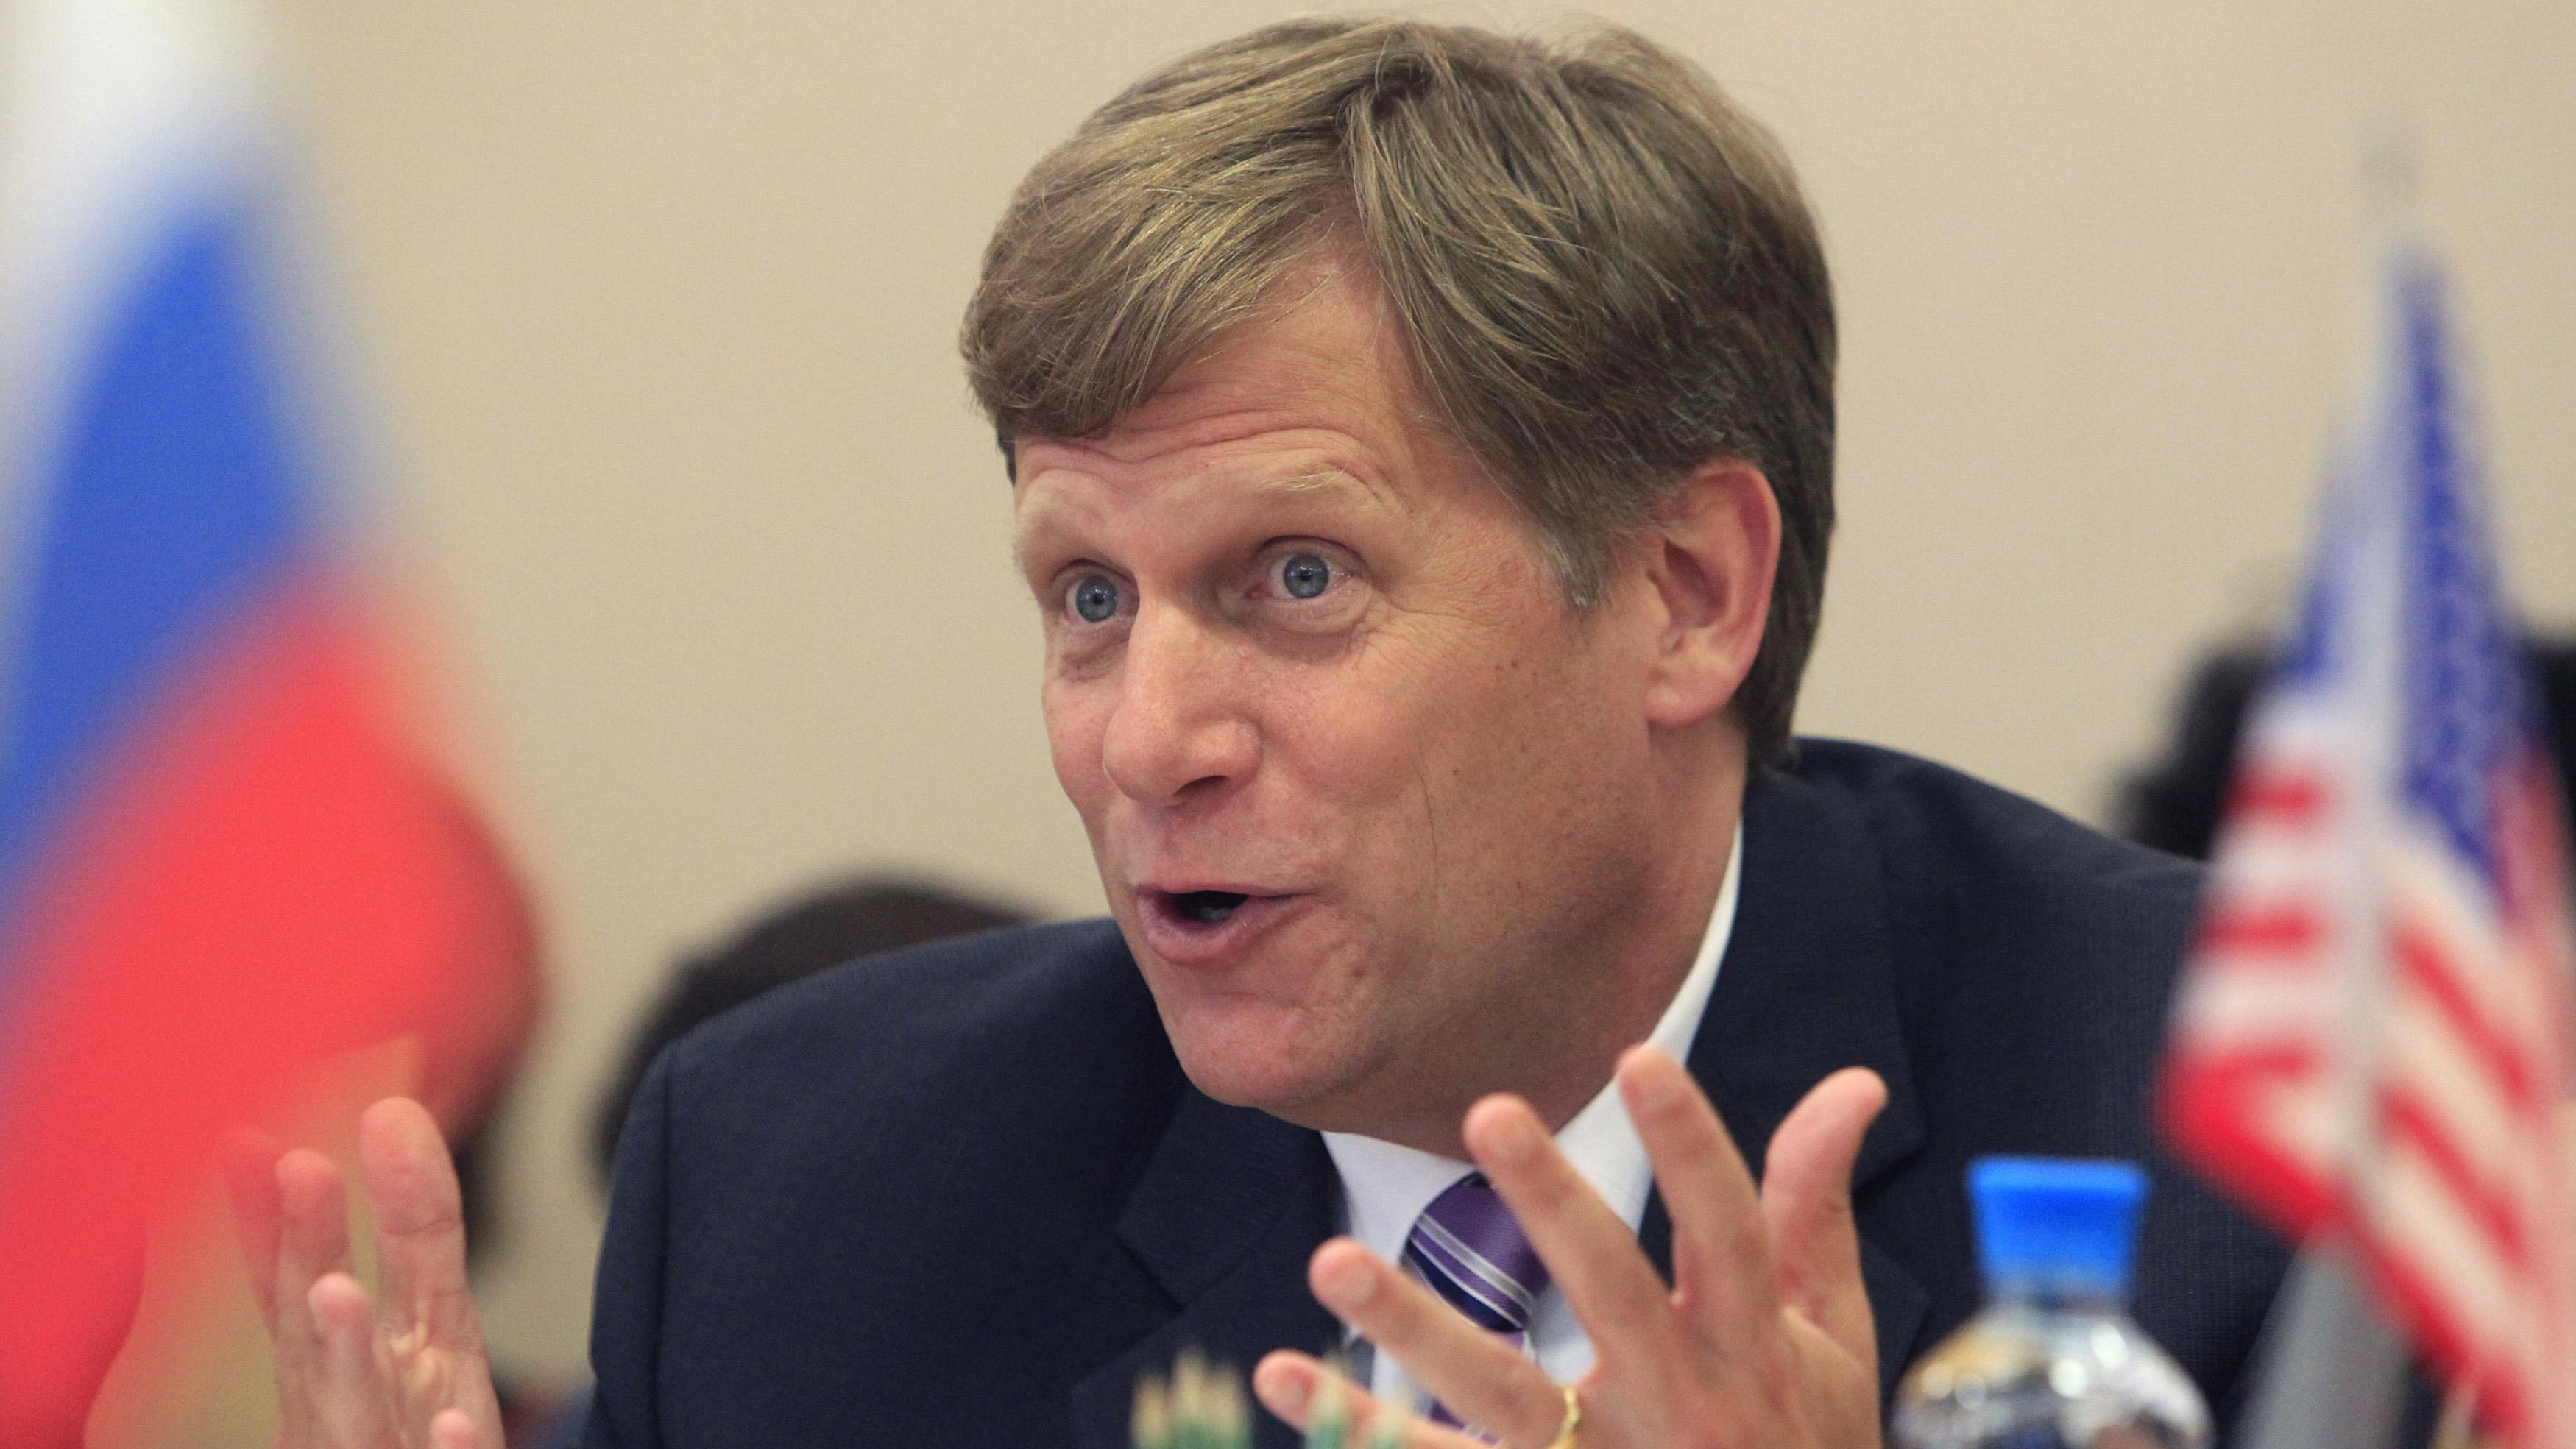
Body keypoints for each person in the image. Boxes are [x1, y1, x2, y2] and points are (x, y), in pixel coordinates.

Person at [231, 17, 2290, 1448]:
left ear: (1685, 592)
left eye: (1296, 576)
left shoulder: (2264, 1148)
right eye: (1087, 597)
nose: (1148, 742)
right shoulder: (806, 1201)